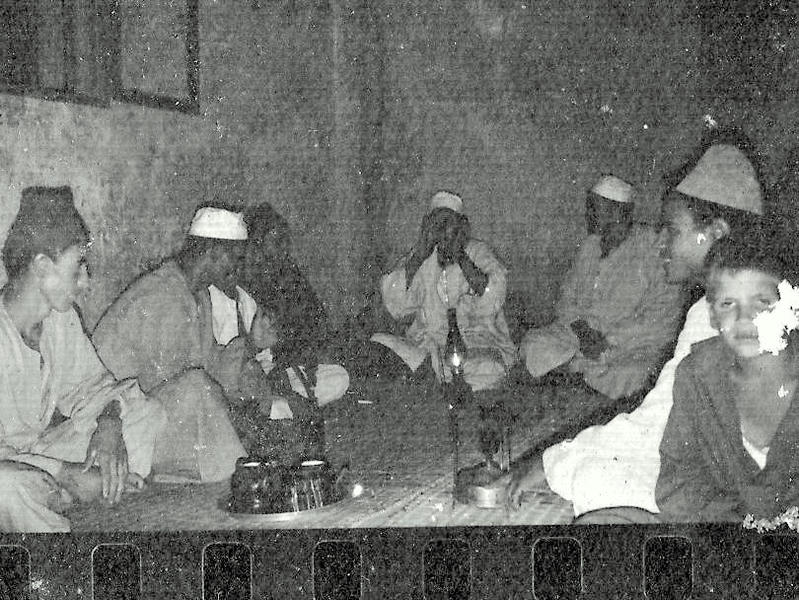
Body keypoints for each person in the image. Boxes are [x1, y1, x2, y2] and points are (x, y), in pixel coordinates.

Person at [506, 137, 766, 518]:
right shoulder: (714, 305)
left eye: (672, 230)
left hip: (756, 483)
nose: (660, 241)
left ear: (716, 233)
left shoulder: (738, 311)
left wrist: (547, 464)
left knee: (601, 477)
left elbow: (656, 422)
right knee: (599, 471)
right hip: (730, 465)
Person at [0, 186, 166, 532]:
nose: (86, 282)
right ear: (43, 267)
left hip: (43, 453)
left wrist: (108, 424)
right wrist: (64, 472)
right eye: (78, 267)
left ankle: (73, 490)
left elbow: (97, 387)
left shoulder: (61, 320)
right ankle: (69, 499)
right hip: (10, 467)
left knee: (145, 413)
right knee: (8, 488)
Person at [92, 205, 249, 483]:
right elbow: (170, 385)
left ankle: (232, 464)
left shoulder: (199, 296)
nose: (238, 268)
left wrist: (250, 348)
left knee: (220, 382)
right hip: (114, 424)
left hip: (157, 411)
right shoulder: (161, 294)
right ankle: (239, 470)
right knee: (199, 388)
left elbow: (210, 365)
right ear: (212, 253)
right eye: (234, 258)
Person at [658, 235, 799, 522]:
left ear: (793, 308)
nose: (744, 317)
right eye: (727, 303)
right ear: (711, 315)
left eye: (762, 302)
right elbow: (679, 480)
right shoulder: (696, 376)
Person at [521, 175, 683, 400]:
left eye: (594, 208)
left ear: (619, 213)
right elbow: (567, 298)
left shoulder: (653, 248)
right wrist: (582, 330)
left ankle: (579, 389)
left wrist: (608, 340)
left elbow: (660, 317)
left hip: (629, 345)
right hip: (580, 335)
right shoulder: (590, 246)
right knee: (535, 345)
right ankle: (575, 385)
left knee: (630, 374)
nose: (588, 215)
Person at [365, 191, 517, 391]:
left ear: (461, 226)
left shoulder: (479, 253)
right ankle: (436, 385)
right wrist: (420, 254)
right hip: (430, 352)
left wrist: (460, 257)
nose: (442, 229)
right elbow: (396, 305)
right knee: (381, 342)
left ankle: (444, 390)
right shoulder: (421, 257)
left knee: (485, 370)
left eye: (449, 223)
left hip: (477, 348)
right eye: (437, 223)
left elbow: (494, 298)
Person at [239, 202, 349, 409]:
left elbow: (317, 323)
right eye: (275, 240)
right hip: (258, 368)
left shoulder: (290, 276)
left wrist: (312, 354)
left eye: (283, 240)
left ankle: (284, 402)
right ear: (257, 242)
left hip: (289, 366)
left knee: (338, 376)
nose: (282, 247)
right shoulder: (244, 283)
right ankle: (282, 403)